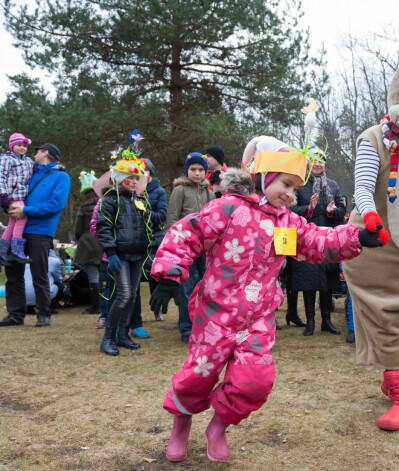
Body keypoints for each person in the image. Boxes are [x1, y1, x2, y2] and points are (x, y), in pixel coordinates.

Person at [148, 140, 383, 463]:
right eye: (286, 184)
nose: (290, 194)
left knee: (255, 381)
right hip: (216, 314)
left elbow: (317, 240)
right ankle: (181, 424)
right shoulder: (228, 208)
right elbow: (189, 233)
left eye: (295, 188)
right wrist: (170, 274)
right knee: (198, 375)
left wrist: (356, 237)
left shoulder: (287, 222)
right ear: (264, 175)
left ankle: (218, 427)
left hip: (257, 318)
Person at [0, 143, 70, 328]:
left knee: (40, 274)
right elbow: (14, 190)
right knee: (13, 273)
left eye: (37, 151)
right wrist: (7, 204)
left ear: (45, 153)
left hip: (40, 232)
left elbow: (56, 204)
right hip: (17, 230)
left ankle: (43, 314)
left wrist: (26, 211)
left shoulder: (61, 177)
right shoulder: (29, 172)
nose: (34, 154)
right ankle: (15, 314)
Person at [96, 150, 152, 355]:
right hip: (120, 255)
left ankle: (123, 334)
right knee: (124, 294)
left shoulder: (139, 201)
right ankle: (108, 337)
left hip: (138, 254)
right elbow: (103, 227)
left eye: (136, 178)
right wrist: (110, 252)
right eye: (129, 177)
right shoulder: (109, 200)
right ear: (119, 179)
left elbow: (145, 226)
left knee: (132, 295)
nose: (134, 181)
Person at [289, 150, 347, 336]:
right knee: (309, 281)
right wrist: (309, 208)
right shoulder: (301, 185)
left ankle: (326, 321)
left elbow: (341, 212)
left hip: (328, 239)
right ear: (307, 164)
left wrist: (332, 211)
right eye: (314, 161)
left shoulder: (333, 185)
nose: (318, 164)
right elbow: (291, 211)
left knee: (327, 282)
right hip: (307, 240)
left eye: (321, 160)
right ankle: (310, 321)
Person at [165, 152, 215, 343]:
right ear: (187, 171)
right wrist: (178, 244)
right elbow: (172, 219)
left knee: (204, 287)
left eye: (201, 169)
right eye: (193, 169)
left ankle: (203, 325)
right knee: (187, 287)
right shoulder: (180, 190)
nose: (197, 173)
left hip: (205, 248)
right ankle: (187, 328)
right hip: (186, 247)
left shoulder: (209, 192)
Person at [128, 157, 168, 333]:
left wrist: (143, 211)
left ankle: (157, 308)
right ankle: (134, 319)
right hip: (135, 239)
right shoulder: (129, 191)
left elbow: (162, 216)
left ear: (150, 172)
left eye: (143, 171)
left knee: (155, 276)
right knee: (134, 280)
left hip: (154, 238)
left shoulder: (158, 192)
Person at [0, 133, 34, 263]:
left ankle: (2, 252)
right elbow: (1, 176)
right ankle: (16, 251)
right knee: (22, 218)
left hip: (21, 195)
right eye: (19, 145)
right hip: (12, 195)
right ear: (12, 146)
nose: (22, 148)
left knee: (12, 224)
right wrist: (2, 194)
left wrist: (56, 168)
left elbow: (38, 169)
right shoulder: (7, 159)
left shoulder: (28, 161)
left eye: (24, 146)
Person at [73, 171, 103, 314]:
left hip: (89, 244)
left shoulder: (84, 208)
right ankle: (104, 304)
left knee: (93, 276)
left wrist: (78, 239)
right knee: (104, 275)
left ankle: (96, 307)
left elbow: (78, 229)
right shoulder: (104, 205)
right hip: (104, 242)